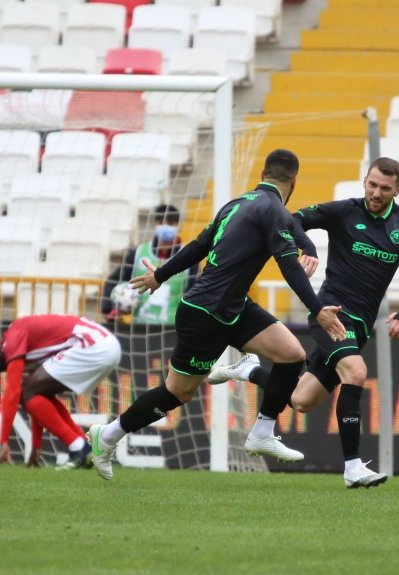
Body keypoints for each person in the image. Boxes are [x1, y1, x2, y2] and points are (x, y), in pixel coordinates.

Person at [86, 149, 346, 480]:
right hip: (205, 313)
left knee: (292, 354)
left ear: (264, 172)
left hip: (233, 306)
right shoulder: (273, 211)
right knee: (177, 392)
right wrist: (317, 309)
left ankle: (262, 433)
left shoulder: (236, 205)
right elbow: (287, 266)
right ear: (295, 180)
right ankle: (107, 436)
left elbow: (198, 246)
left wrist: (160, 275)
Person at [209, 157, 399, 488]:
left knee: (301, 401)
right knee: (356, 372)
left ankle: (249, 370)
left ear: (397, 190)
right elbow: (291, 217)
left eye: (385, 188)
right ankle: (353, 467)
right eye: (372, 184)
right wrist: (306, 245)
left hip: (360, 326)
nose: (376, 192)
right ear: (364, 181)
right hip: (330, 314)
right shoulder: (344, 211)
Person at [0, 314, 122, 469]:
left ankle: (80, 448)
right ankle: (84, 446)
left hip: (93, 346)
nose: (4, 369)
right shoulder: (29, 345)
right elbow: (35, 400)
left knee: (26, 392)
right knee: (36, 392)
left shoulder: (12, 338)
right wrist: (36, 446)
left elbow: (12, 394)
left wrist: (3, 441)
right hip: (105, 345)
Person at [101, 204, 199, 325]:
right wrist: (109, 308)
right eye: (160, 222)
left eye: (170, 223)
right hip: (139, 328)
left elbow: (196, 294)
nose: (165, 227)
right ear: (155, 224)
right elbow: (114, 280)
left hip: (172, 329)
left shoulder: (188, 258)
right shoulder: (137, 253)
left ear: (179, 226)